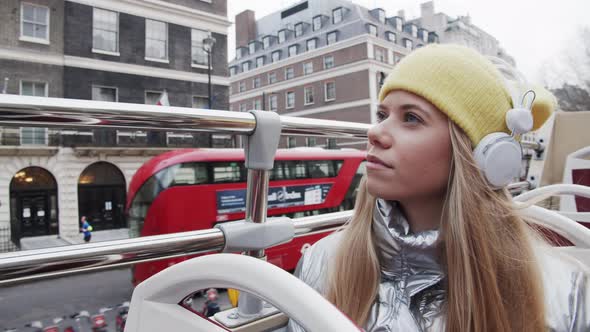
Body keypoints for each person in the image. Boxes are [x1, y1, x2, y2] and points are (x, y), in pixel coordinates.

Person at [287, 44, 589, 332]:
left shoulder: (563, 292)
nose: (375, 132)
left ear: (482, 155)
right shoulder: (321, 262)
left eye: (411, 118)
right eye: (382, 115)